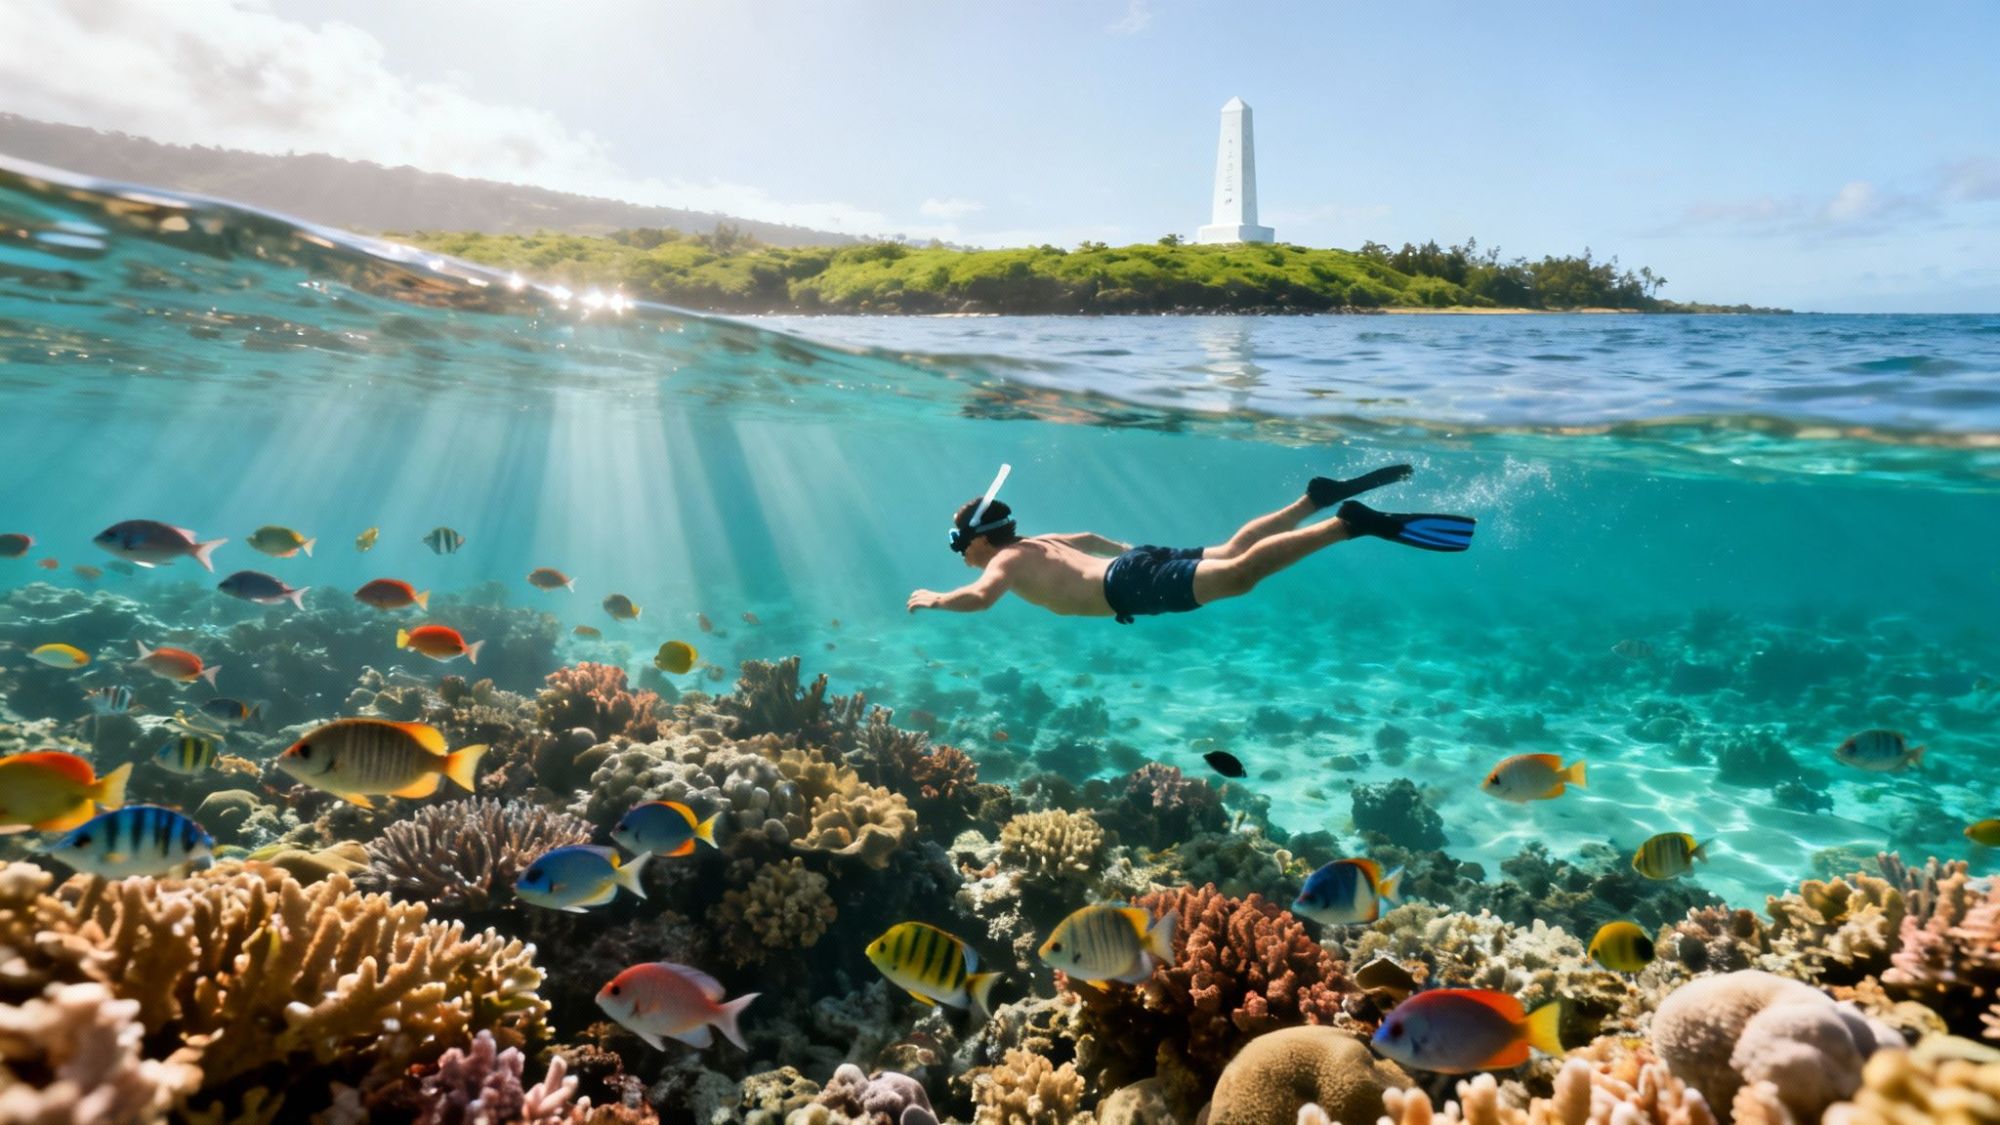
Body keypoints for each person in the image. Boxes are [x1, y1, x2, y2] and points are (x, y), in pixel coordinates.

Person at [906, 464, 1475, 623]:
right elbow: (1086, 537)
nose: (961, 554)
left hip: (1128, 581)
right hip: (1132, 568)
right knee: (1229, 550)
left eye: (959, 544)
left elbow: (981, 598)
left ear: (977, 541)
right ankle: (1311, 501)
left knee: (1237, 577)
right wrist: (1127, 551)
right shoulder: (1039, 541)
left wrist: (935, 597)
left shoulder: (1002, 560)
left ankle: (1346, 523)